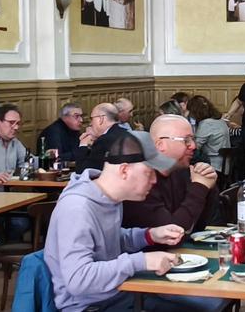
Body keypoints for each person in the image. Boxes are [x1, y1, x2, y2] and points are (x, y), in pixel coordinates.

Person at [45, 131, 219, 312]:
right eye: (150, 172)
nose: (154, 180)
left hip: (118, 294)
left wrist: (149, 235)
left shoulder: (110, 198)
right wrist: (141, 261)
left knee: (208, 304)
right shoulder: (77, 208)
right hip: (89, 306)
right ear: (124, 170)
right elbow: (78, 280)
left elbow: (106, 241)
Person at [122, 115, 219, 233]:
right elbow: (172, 234)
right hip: (149, 250)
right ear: (160, 145)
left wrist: (209, 186)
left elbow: (199, 227)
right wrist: (200, 187)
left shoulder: (182, 172)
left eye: (192, 139)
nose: (193, 146)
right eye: (186, 140)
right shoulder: (141, 180)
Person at [73, 103, 131, 173]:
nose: (91, 123)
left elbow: (82, 172)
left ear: (101, 119)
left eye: (91, 119)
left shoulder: (104, 140)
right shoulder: (126, 132)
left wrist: (83, 145)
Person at [188, 96, 230, 173]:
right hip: (225, 165)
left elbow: (196, 146)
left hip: (213, 165)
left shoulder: (206, 123)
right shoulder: (221, 121)